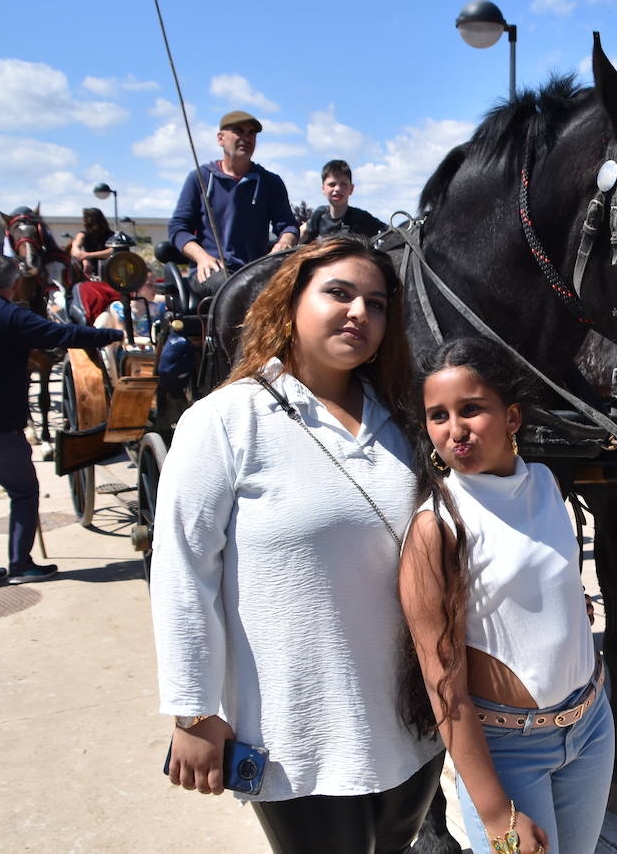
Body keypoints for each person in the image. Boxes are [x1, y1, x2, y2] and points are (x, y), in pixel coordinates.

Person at [151, 236, 444, 853]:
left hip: (412, 728)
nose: (360, 312)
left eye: (377, 302)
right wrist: (194, 712)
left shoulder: (403, 420)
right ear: (289, 303)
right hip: (298, 733)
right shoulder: (227, 419)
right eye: (338, 293)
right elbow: (183, 569)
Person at [400, 337, 614, 854]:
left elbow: (547, 578)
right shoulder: (438, 527)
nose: (455, 430)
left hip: (591, 727)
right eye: (438, 415)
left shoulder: (544, 482)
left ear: (512, 417)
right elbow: (444, 685)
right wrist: (496, 812)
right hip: (509, 751)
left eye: (471, 409)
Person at [0, 254, 123, 589]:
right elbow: (60, 334)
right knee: (24, 492)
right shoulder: (10, 316)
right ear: (13, 283)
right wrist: (108, 336)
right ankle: (21, 564)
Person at [167, 109, 298, 298]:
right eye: (239, 131)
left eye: (251, 133)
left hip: (255, 270)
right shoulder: (200, 178)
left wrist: (284, 242)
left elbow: (288, 225)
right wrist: (202, 258)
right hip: (212, 270)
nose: (246, 137)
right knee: (233, 288)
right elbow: (178, 228)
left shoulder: (270, 182)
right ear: (220, 138)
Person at [299, 160, 388, 245]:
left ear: (351, 189)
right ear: (323, 189)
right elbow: (301, 233)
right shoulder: (319, 215)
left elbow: (389, 233)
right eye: (332, 184)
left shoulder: (361, 218)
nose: (337, 189)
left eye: (343, 184)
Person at [70, 207, 116, 278]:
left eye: (85, 219)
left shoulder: (112, 235)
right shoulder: (82, 234)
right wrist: (84, 259)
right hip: (90, 275)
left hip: (109, 274)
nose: (83, 221)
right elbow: (75, 248)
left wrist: (88, 255)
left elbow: (112, 251)